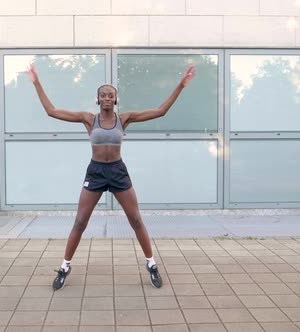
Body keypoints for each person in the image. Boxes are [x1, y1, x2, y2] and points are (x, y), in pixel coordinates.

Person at [26, 63, 196, 290]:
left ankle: (152, 265)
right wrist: (36, 82)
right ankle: (65, 267)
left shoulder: (124, 119)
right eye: (103, 95)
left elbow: (160, 110)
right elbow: (52, 111)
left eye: (111, 95)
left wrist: (181, 85)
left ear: (116, 100)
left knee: (135, 220)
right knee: (80, 221)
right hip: (96, 172)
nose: (107, 98)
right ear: (97, 100)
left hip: (117, 171)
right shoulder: (88, 119)